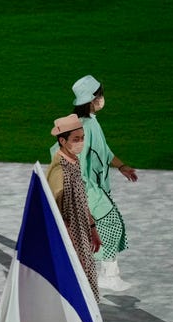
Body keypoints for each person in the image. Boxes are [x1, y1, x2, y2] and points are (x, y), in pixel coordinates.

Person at [71, 74, 139, 291]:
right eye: (100, 95)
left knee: (106, 228)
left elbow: (105, 151)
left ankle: (107, 274)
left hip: (94, 187)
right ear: (92, 99)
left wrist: (121, 166)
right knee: (111, 225)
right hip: (88, 188)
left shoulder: (91, 122)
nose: (102, 99)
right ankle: (106, 275)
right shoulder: (84, 127)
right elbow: (78, 163)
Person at [47, 114, 102, 301]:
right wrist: (70, 248)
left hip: (81, 233)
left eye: (82, 138)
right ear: (62, 141)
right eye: (76, 139)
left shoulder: (73, 161)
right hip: (70, 237)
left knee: (85, 279)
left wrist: (92, 228)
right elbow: (56, 212)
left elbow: (81, 199)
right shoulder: (59, 171)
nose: (81, 143)